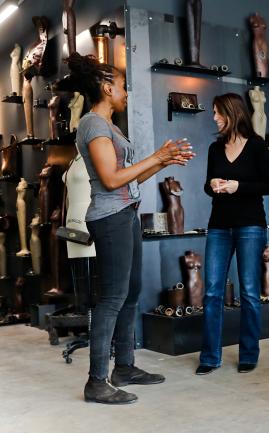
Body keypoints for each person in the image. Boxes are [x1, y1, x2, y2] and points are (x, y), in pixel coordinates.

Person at [66, 52, 195, 405]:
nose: (126, 93)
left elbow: (129, 179)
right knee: (111, 298)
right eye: (122, 86)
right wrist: (156, 156)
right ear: (107, 88)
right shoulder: (93, 124)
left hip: (125, 212)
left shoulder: (111, 127)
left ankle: (124, 367)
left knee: (131, 291)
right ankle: (96, 381)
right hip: (109, 218)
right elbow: (109, 180)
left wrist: (162, 159)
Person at [196, 93, 269, 376]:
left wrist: (237, 187)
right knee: (212, 292)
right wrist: (213, 184)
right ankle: (209, 356)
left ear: (233, 114)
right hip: (218, 225)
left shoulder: (256, 146)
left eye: (218, 112)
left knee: (250, 293)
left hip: (250, 226)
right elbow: (207, 186)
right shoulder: (214, 149)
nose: (214, 117)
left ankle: (249, 353)